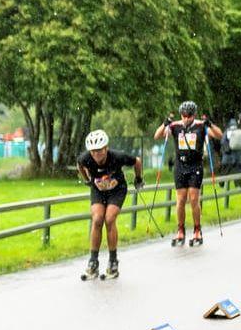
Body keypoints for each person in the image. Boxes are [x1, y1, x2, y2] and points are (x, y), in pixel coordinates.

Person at [153, 101, 222, 247]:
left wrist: (210, 124)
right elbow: (157, 136)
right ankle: (180, 230)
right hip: (180, 166)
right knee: (180, 200)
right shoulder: (176, 126)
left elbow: (219, 135)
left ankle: (197, 230)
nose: (186, 119)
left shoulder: (200, 126)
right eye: (184, 116)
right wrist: (164, 124)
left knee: (194, 199)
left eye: (189, 116)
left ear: (194, 115)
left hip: (195, 166)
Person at [76, 130, 143, 279]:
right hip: (99, 190)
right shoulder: (86, 158)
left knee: (109, 219)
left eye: (99, 150)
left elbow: (137, 161)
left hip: (117, 189)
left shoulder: (117, 156)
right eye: (93, 151)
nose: (96, 155)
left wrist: (138, 178)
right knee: (98, 219)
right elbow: (79, 164)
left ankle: (113, 261)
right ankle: (93, 261)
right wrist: (87, 179)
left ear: (106, 148)